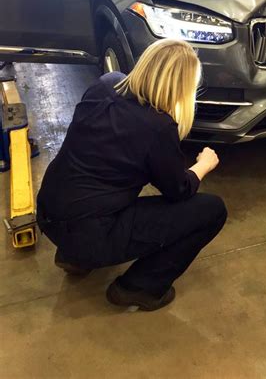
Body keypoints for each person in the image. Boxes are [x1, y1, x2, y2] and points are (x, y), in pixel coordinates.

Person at [36, 39, 227, 311]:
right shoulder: (159, 126)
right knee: (212, 210)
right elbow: (179, 190)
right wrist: (204, 164)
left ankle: (74, 258)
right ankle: (139, 287)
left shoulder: (105, 84)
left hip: (48, 213)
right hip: (88, 233)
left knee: (96, 187)